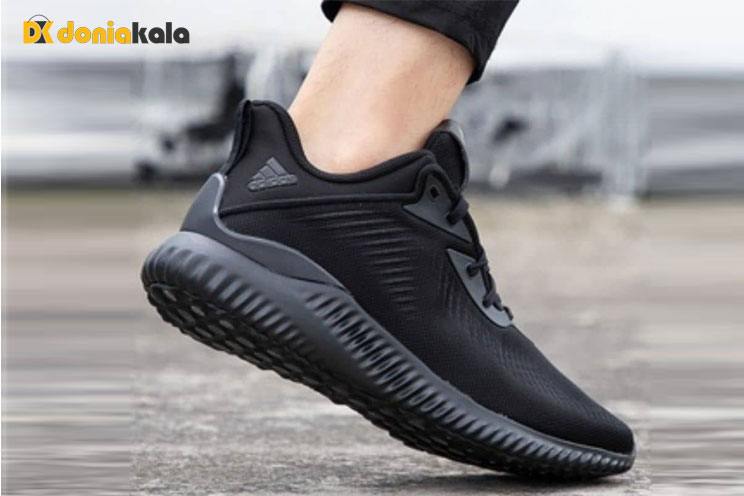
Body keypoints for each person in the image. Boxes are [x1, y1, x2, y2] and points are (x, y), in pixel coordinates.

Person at [142, 1, 635, 479]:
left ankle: (312, 163)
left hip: (258, 193)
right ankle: (357, 162)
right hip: (346, 216)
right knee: (362, 147)